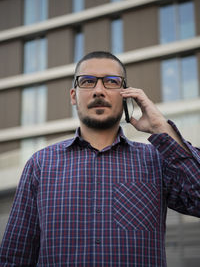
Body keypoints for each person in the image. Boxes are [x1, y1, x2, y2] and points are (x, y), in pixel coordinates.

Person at [0, 51, 200, 267]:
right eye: (87, 81)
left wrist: (163, 128)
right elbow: (15, 257)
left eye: (111, 82)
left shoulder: (157, 160)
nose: (98, 91)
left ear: (126, 94)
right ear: (73, 95)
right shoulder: (40, 164)